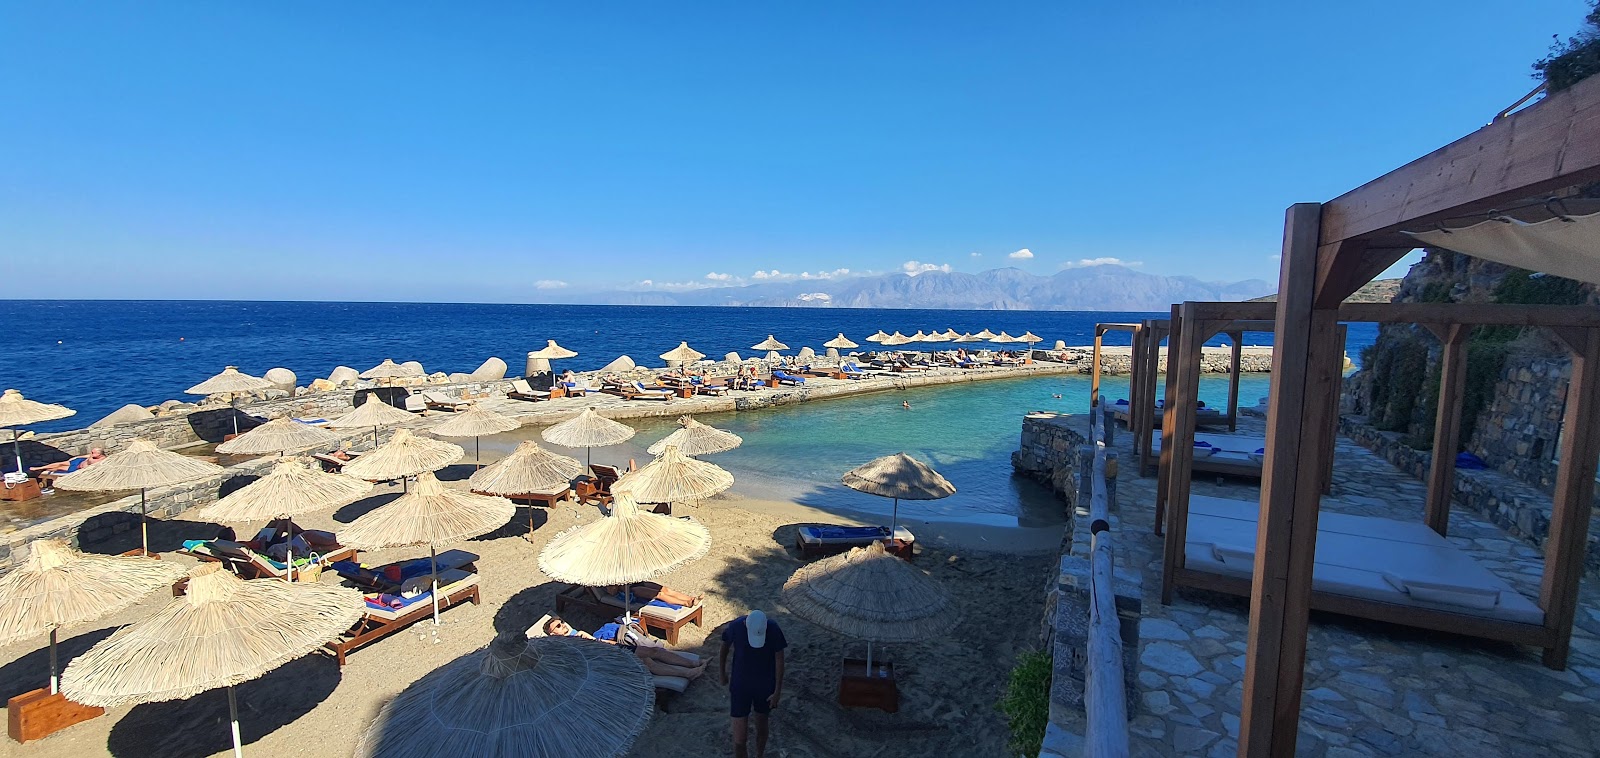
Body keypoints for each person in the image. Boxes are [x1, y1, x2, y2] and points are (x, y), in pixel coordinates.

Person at [541, 616, 707, 679]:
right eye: (557, 626)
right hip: (609, 657)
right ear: (552, 634)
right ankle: (689, 672)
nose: (562, 625)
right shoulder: (566, 644)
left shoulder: (575, 634)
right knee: (649, 662)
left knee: (654, 652)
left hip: (613, 648)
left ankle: (693, 664)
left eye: (562, 622)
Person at [721, 610, 786, 758]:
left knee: (762, 726)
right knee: (739, 738)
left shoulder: (773, 629)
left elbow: (779, 660)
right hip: (740, 686)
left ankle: (759, 755)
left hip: (764, 686)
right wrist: (722, 672)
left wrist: (777, 692)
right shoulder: (736, 626)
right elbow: (724, 646)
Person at [31, 447, 106, 474]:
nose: (91, 453)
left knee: (59, 468)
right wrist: (76, 457)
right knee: (59, 463)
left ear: (99, 454)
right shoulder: (94, 456)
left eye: (93, 452)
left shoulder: (102, 460)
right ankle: (39, 468)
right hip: (79, 461)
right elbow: (86, 456)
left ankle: (43, 470)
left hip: (77, 468)